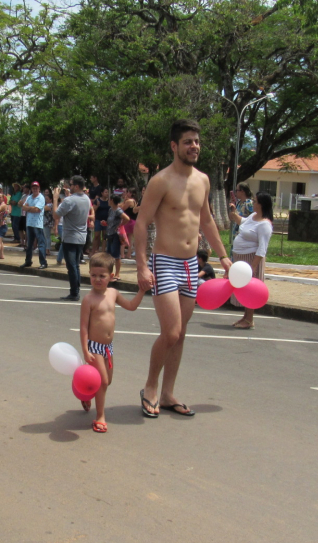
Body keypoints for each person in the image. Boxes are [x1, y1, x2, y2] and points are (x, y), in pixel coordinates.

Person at [134, 119, 231, 418]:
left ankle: (167, 393)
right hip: (164, 262)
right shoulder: (160, 181)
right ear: (174, 146)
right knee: (171, 331)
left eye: (197, 142)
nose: (194, 146)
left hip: (191, 264)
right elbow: (141, 222)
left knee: (182, 332)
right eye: (188, 142)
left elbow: (207, 221)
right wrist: (141, 265)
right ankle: (150, 386)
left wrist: (224, 257)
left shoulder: (202, 179)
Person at [79, 252, 147, 433]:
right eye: (93, 275)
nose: (97, 279)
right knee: (102, 381)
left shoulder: (113, 293)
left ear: (111, 276)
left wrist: (142, 291)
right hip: (94, 347)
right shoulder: (88, 300)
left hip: (108, 347)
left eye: (102, 276)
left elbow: (131, 306)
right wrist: (85, 350)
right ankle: (100, 416)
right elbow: (84, 328)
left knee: (108, 381)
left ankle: (86, 393)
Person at [226, 191, 273, 329]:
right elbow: (241, 222)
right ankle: (245, 317)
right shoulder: (253, 217)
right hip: (241, 259)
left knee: (249, 289)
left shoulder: (265, 224)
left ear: (261, 204)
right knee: (243, 288)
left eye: (256, 201)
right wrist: (234, 212)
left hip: (251, 259)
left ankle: (249, 319)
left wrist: (253, 266)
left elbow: (262, 248)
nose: (253, 203)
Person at [55, 175, 91, 300]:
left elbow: (56, 215)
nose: (69, 187)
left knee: (71, 266)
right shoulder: (86, 198)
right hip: (81, 236)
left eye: (70, 185)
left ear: (76, 186)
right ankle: (76, 290)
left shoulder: (69, 200)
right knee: (75, 265)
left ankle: (74, 292)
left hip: (70, 237)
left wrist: (55, 199)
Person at [102, 190, 129, 281]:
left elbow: (126, 218)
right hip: (109, 233)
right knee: (109, 254)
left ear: (112, 200)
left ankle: (117, 274)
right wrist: (106, 223)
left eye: (109, 200)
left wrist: (119, 226)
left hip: (115, 235)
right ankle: (110, 273)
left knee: (116, 255)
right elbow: (110, 221)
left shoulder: (118, 210)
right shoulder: (111, 210)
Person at [20, 181, 48, 268]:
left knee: (41, 243)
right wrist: (30, 208)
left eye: (36, 188)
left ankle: (43, 262)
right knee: (29, 243)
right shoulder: (29, 197)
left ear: (39, 189)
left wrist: (29, 208)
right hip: (29, 223)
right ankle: (28, 261)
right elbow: (23, 207)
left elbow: (37, 209)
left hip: (37, 224)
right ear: (31, 189)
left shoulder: (41, 198)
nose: (35, 189)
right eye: (33, 188)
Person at [89, 175, 107, 256]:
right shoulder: (98, 200)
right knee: (96, 236)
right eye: (105, 192)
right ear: (102, 193)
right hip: (98, 219)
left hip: (106, 220)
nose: (107, 194)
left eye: (108, 192)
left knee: (104, 237)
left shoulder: (109, 201)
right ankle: (93, 251)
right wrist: (97, 206)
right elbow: (93, 210)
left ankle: (103, 252)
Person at [9, 182, 25, 247]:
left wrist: (12, 202)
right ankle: (16, 237)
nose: (15, 188)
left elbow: (15, 202)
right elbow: (10, 201)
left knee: (16, 225)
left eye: (16, 187)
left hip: (18, 212)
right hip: (13, 212)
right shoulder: (14, 194)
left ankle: (18, 238)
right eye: (14, 187)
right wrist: (11, 202)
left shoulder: (19, 194)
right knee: (13, 225)